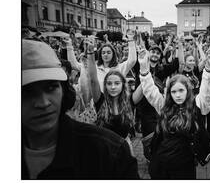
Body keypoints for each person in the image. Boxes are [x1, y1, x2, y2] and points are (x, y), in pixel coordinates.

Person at [21, 39, 139, 179]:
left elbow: (133, 63)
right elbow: (92, 79)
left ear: (64, 90)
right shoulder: (100, 97)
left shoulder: (108, 149)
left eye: (51, 87)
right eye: (27, 92)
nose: (43, 102)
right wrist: (83, 51)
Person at [138, 49, 210, 179]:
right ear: (169, 93)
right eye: (174, 92)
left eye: (181, 90)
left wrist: (208, 68)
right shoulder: (164, 106)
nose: (178, 95)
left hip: (184, 165)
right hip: (161, 164)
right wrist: (144, 67)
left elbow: (207, 92)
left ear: (188, 91)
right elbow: (150, 91)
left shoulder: (196, 106)